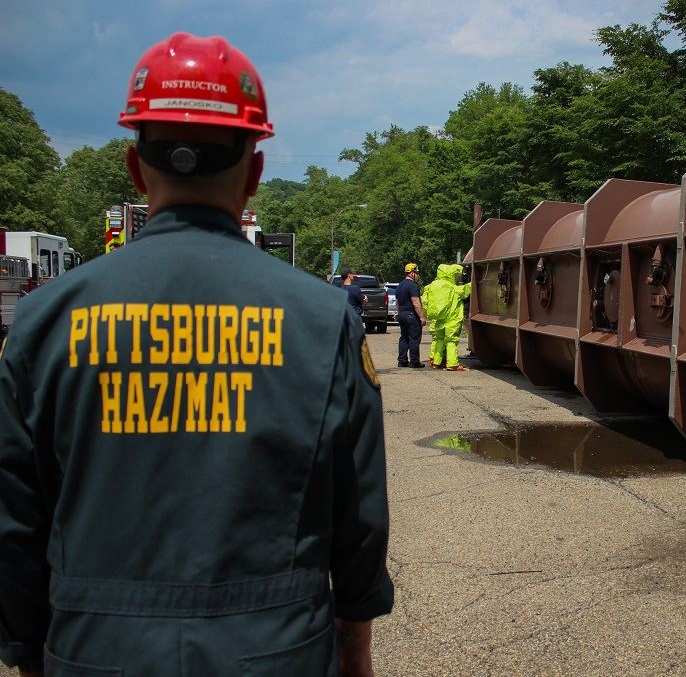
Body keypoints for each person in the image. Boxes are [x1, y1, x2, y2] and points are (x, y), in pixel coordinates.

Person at [0, 33, 392, 676]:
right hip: (276, 651)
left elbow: (14, 523)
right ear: (256, 172)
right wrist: (354, 644)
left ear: (134, 167)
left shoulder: (46, 321)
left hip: (95, 650)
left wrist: (31, 651)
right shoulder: (324, 321)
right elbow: (359, 515)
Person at [423, 263, 472, 371]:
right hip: (452, 319)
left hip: (439, 319)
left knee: (439, 340)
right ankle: (452, 364)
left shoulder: (434, 286)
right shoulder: (453, 288)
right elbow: (465, 290)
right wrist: (474, 281)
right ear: (450, 274)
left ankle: (437, 362)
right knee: (451, 341)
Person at [395, 263, 425, 368]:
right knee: (414, 338)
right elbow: (416, 302)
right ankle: (414, 362)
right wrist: (421, 316)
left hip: (402, 314)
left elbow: (398, 303)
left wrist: (399, 313)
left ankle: (402, 361)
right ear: (412, 273)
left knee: (404, 337)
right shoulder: (413, 286)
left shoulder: (400, 285)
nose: (417, 275)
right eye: (416, 273)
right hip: (411, 315)